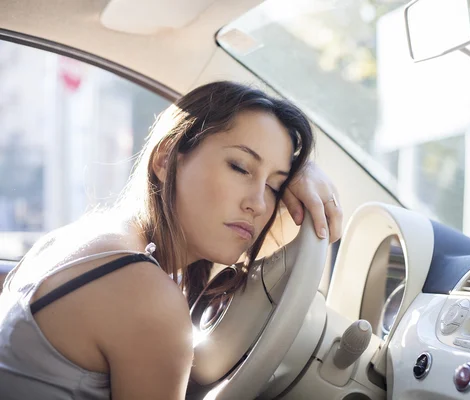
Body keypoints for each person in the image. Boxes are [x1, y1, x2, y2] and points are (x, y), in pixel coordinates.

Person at [0, 81, 342, 399]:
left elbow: (274, 277)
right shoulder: (145, 296)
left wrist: (303, 173)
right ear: (165, 159)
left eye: (275, 187)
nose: (259, 203)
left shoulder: (93, 238)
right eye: (239, 167)